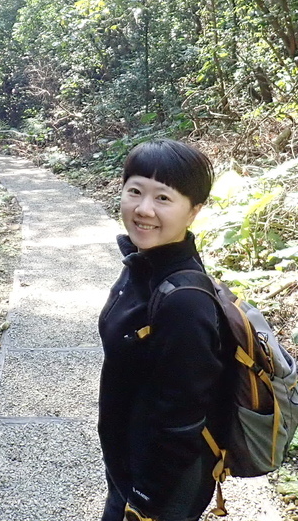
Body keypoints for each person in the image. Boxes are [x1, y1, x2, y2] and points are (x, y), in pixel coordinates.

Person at [98, 138, 232, 521]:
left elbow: (183, 418)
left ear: (194, 211)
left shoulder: (184, 301)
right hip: (130, 462)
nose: (144, 209)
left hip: (162, 486)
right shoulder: (143, 266)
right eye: (135, 191)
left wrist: (145, 500)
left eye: (163, 198)